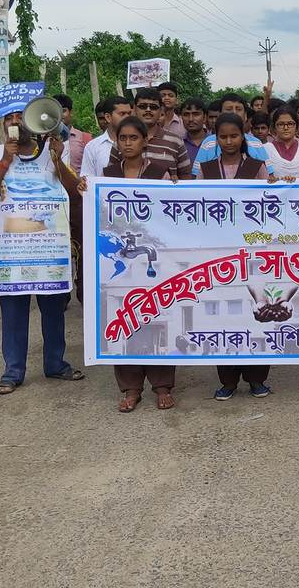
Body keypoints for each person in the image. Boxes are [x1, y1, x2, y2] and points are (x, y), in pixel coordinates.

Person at [0, 109, 85, 394]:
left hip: (49, 250)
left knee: (54, 311)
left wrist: (57, 159)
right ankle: (13, 371)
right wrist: (5, 161)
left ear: (33, 121)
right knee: (13, 314)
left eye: (20, 116)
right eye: (9, 118)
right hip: (13, 253)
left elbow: (75, 193)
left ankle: (55, 363)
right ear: (3, 124)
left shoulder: (53, 152)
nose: (14, 122)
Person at [103, 116, 181, 412]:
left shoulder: (159, 173)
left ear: (145, 140)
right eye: (122, 138)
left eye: (133, 138)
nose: (127, 143)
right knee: (124, 319)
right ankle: (131, 388)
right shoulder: (107, 175)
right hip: (120, 261)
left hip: (153, 258)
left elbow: (168, 216)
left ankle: (162, 386)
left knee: (156, 314)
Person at [199, 113, 273, 399]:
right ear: (215, 138)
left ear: (244, 136)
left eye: (234, 135)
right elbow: (196, 206)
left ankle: (257, 379)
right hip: (220, 253)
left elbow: (271, 203)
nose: (229, 141)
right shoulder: (206, 169)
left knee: (256, 310)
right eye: (223, 136)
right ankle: (228, 380)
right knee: (225, 315)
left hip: (254, 252)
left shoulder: (257, 166)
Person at [191, 93, 277, 176]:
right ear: (220, 115)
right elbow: (197, 177)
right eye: (229, 109)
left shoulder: (257, 144)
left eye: (238, 109)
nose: (234, 113)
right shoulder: (208, 143)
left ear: (245, 115)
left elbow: (268, 177)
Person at [79, 94, 132, 180]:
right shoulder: (92, 147)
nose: (127, 117)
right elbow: (87, 180)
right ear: (108, 117)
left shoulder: (139, 143)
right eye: (122, 114)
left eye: (129, 113)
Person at [265, 105, 299, 180]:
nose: (286, 128)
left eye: (290, 124)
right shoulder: (265, 150)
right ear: (274, 128)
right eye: (281, 124)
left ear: (296, 127)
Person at [55, 94, 91, 174]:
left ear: (71, 112)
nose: (59, 115)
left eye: (63, 111)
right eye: (55, 111)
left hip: (77, 182)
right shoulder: (44, 140)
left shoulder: (85, 138)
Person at [180, 96, 209, 163]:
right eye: (186, 114)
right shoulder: (178, 143)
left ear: (204, 117)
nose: (190, 119)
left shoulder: (216, 142)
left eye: (196, 114)